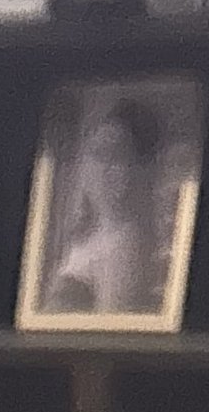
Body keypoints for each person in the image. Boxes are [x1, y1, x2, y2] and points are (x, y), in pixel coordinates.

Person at [44, 96, 165, 317]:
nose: (101, 168)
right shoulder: (86, 236)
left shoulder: (125, 247)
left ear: (136, 170)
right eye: (96, 153)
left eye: (116, 156)